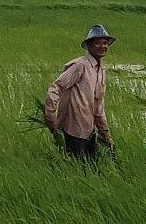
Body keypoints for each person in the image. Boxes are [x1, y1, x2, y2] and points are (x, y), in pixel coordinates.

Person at [44, 25, 115, 162]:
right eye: (98, 43)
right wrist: (51, 117)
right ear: (89, 46)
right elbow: (56, 87)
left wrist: (106, 136)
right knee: (76, 168)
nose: (102, 46)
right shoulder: (80, 66)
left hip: (89, 131)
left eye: (105, 43)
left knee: (91, 169)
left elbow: (98, 108)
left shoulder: (101, 71)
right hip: (73, 130)